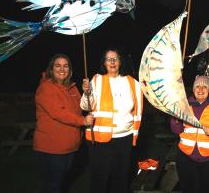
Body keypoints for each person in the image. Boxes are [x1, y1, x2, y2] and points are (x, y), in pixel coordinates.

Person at [81, 48, 143, 193]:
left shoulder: (133, 83)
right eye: (109, 59)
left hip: (124, 139)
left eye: (115, 58)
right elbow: (85, 106)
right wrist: (87, 93)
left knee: (121, 178)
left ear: (121, 62)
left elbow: (138, 110)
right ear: (104, 63)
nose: (112, 61)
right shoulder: (97, 80)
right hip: (100, 140)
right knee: (99, 179)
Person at [33, 53, 94, 193]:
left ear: (70, 70)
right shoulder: (46, 88)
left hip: (70, 147)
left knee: (61, 183)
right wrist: (82, 121)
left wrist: (87, 93)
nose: (62, 69)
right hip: (52, 147)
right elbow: (58, 113)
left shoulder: (72, 88)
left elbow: (83, 106)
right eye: (58, 66)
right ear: (51, 69)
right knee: (53, 185)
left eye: (65, 66)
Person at [170, 75, 209, 193]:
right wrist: (175, 120)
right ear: (193, 89)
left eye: (205, 87)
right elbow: (176, 130)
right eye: (197, 86)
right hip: (186, 158)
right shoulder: (183, 105)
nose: (201, 89)